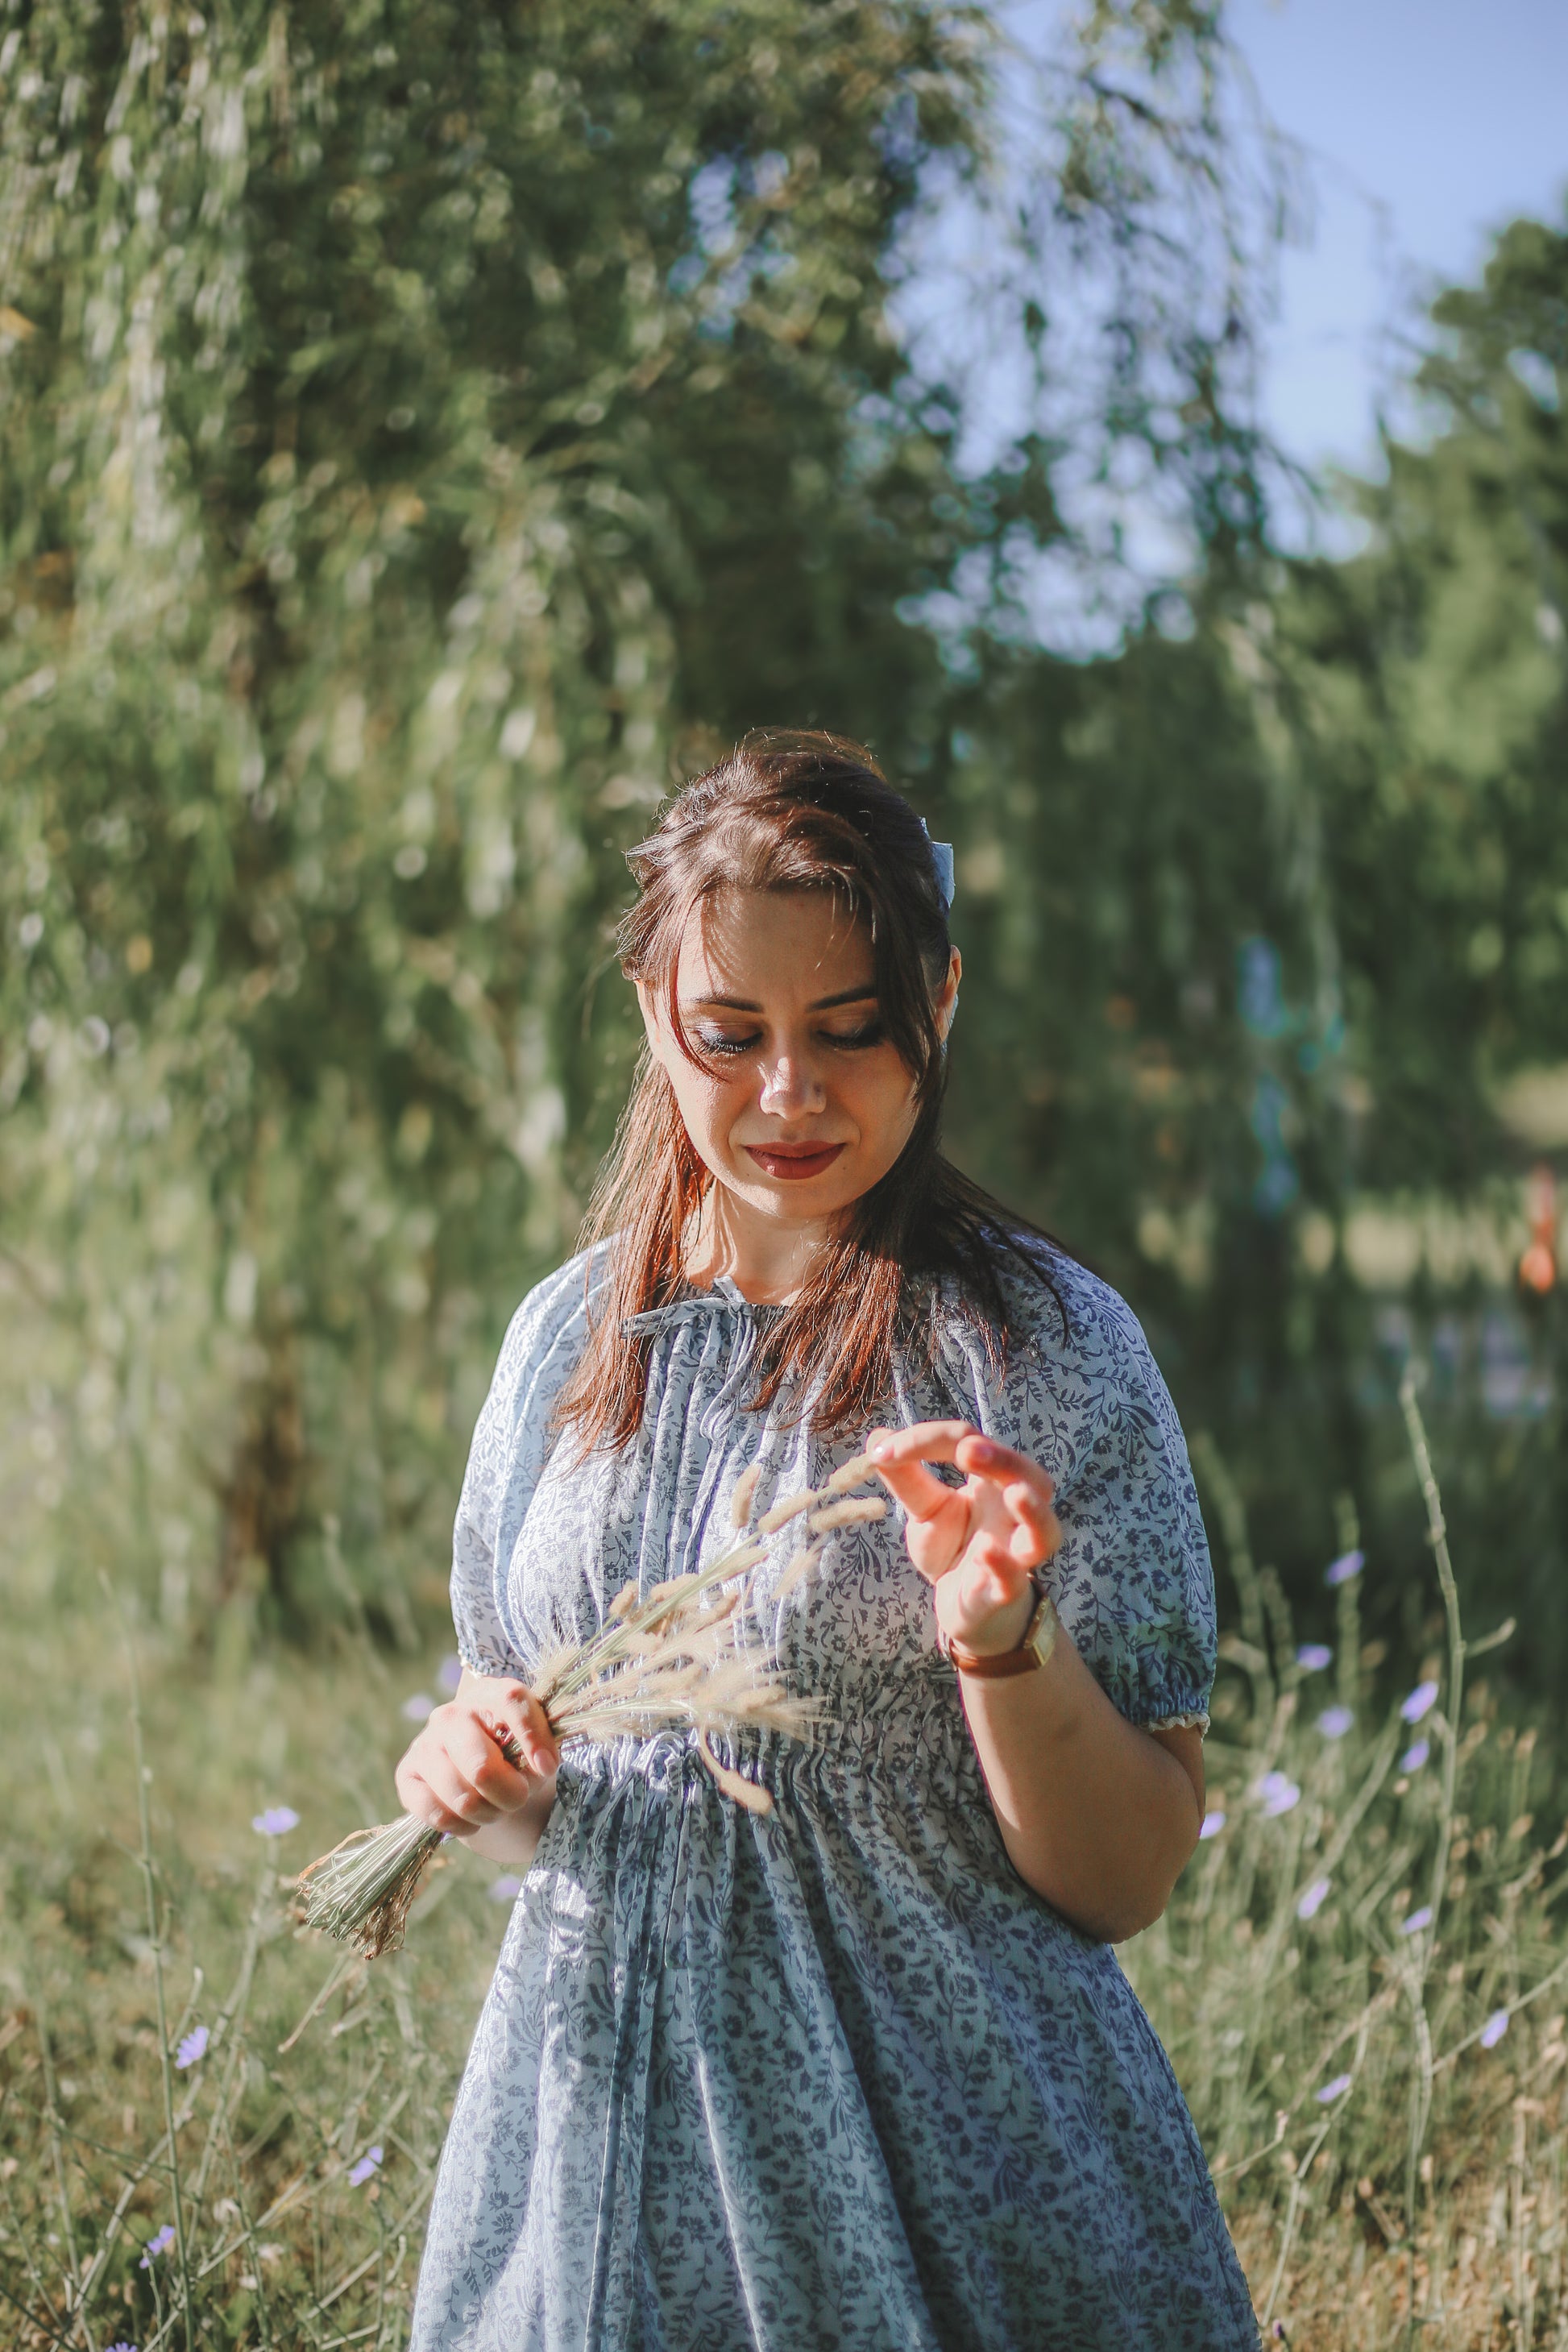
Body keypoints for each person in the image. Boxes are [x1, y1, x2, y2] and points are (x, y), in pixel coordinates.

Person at [398, 735, 1259, 2350]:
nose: (787, 1091)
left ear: (939, 1001)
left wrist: (1002, 1638)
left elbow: (1128, 1871)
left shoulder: (1041, 1349)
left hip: (953, 2175)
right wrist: (487, 1781)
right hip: (595, 2163)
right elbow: (542, 1779)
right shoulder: (564, 1341)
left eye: (849, 1030)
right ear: (654, 1011)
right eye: (731, 1034)